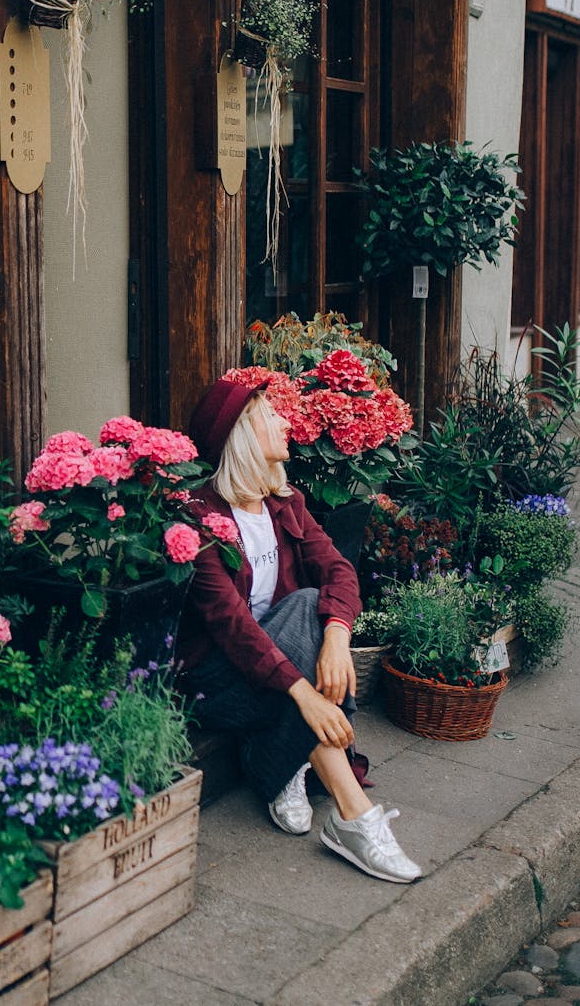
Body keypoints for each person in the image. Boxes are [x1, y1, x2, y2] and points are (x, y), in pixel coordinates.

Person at [178, 378, 421, 884]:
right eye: (271, 416)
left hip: (277, 664)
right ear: (243, 435)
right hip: (218, 680)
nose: (286, 421)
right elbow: (233, 627)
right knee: (302, 612)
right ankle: (353, 813)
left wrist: (337, 636)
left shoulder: (286, 504)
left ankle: (291, 762)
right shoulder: (199, 520)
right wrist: (308, 697)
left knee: (314, 606)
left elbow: (339, 571)